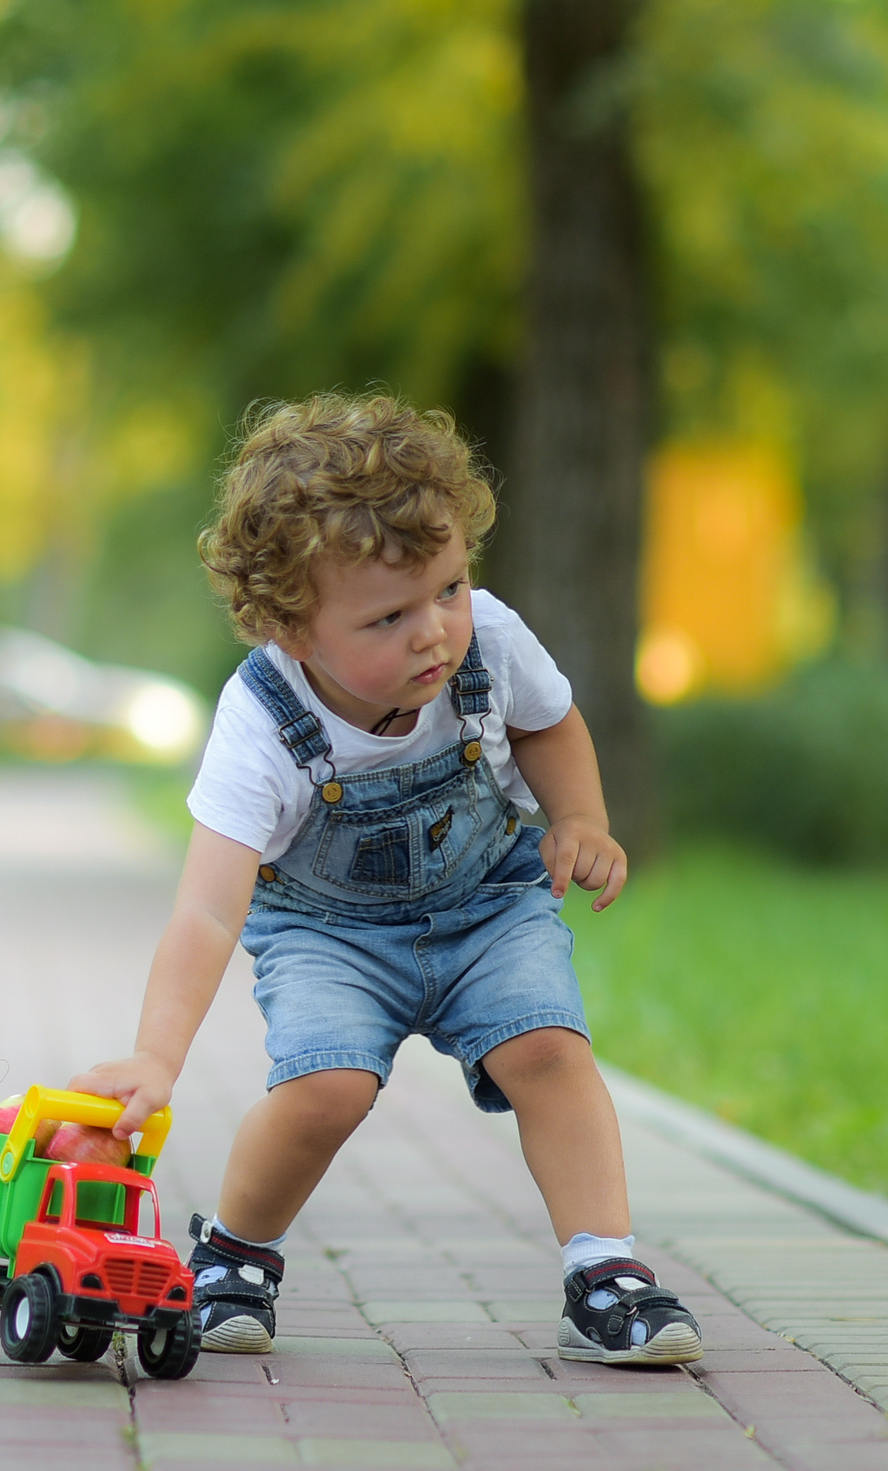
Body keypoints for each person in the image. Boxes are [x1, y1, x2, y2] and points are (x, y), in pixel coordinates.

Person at [66, 393, 703, 1367]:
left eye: (447, 588)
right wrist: (157, 1058)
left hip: (489, 902)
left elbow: (548, 721)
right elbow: (205, 906)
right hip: (329, 932)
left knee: (547, 1049)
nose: (433, 634)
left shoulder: (487, 637)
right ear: (292, 626)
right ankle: (236, 1251)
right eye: (388, 616)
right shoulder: (261, 719)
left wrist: (578, 818)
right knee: (326, 1087)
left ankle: (603, 1270)